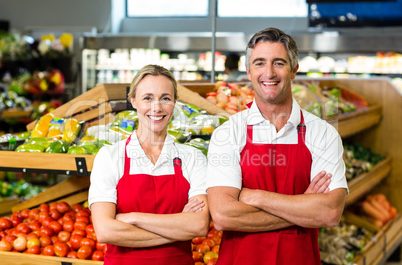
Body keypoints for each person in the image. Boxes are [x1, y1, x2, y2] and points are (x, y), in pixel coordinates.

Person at [206, 27, 348, 265]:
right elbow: (222, 216)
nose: (268, 73)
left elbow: (329, 213)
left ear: (294, 70)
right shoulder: (227, 133)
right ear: (249, 70)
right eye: (259, 63)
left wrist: (255, 197)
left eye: (279, 63)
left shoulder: (323, 133)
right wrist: (302, 207)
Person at [89, 64, 210, 265]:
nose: (157, 107)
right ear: (133, 101)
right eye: (148, 98)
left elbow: (198, 226)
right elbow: (105, 231)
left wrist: (134, 218)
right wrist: (178, 227)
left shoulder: (193, 157)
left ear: (175, 103)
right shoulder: (110, 156)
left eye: (165, 98)